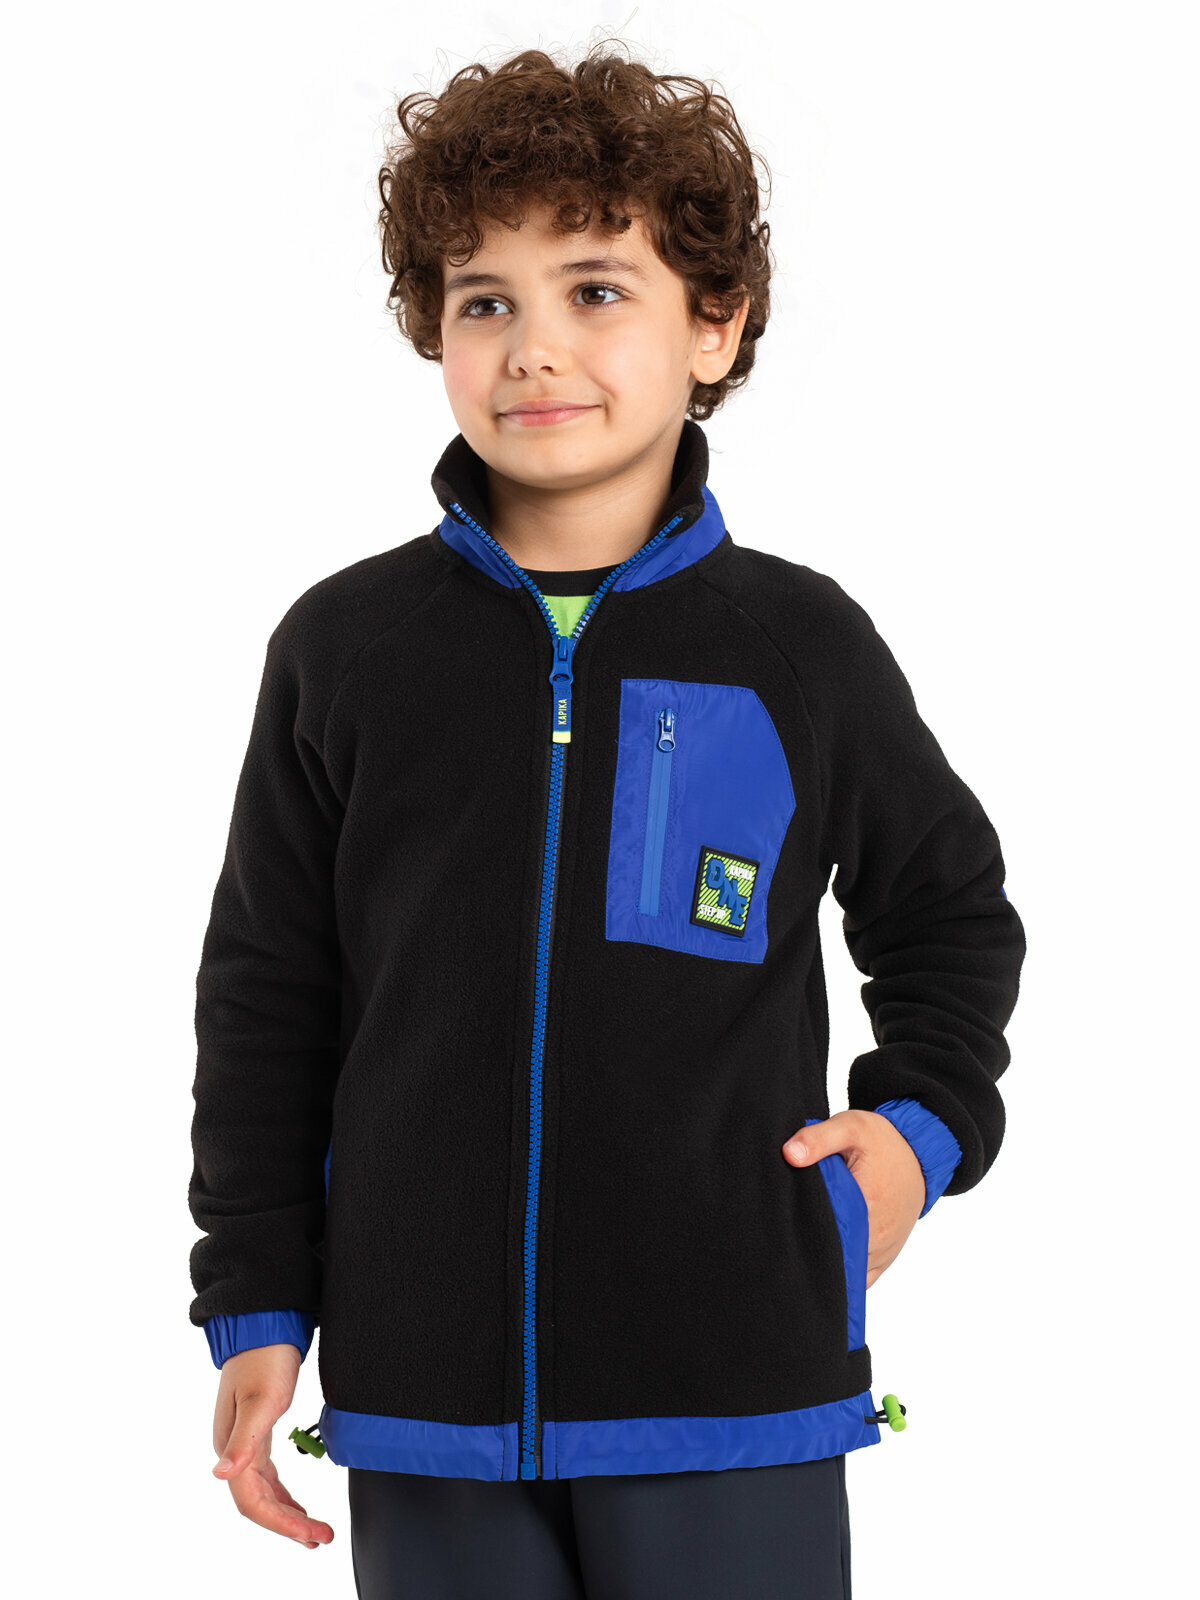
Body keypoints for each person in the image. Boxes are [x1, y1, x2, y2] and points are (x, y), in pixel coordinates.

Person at [188, 38, 1026, 1600]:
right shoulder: (346, 650)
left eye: (594, 290)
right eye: (483, 301)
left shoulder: (800, 647)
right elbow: (267, 997)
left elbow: (948, 912)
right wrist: (256, 1306)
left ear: (717, 324)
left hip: (733, 1383)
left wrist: (917, 1138)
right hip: (427, 1398)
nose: (534, 350)